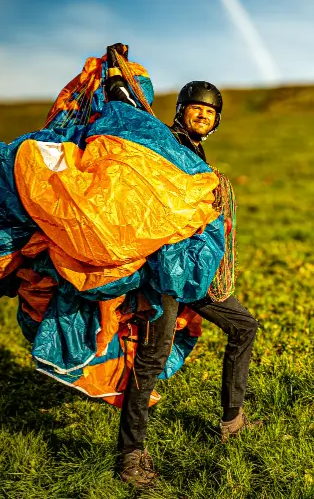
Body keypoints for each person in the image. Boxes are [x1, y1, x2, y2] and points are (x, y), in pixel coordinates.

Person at [105, 43, 260, 488]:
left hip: (193, 272)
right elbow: (133, 122)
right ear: (181, 111)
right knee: (149, 359)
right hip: (161, 276)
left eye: (210, 114)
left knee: (243, 326)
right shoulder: (165, 142)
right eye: (196, 110)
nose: (202, 117)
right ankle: (130, 456)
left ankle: (232, 422)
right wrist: (119, 83)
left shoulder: (196, 152)